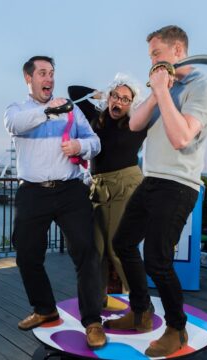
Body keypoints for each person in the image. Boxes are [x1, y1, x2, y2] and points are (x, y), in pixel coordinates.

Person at [104, 25, 207, 357]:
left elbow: (181, 137)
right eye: (150, 55)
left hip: (179, 185)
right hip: (150, 180)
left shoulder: (203, 87)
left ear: (178, 51)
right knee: (122, 243)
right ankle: (141, 313)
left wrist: (164, 92)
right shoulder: (164, 87)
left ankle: (176, 329)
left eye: (156, 53)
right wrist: (157, 91)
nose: (151, 60)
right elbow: (134, 124)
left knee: (157, 259)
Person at [3, 55, 106, 349]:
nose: (49, 79)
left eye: (52, 73)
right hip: (33, 192)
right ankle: (45, 308)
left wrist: (80, 146)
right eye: (43, 73)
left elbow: (95, 141)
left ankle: (92, 321)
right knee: (26, 253)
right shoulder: (17, 109)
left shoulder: (72, 111)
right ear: (29, 78)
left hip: (70, 190)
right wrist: (49, 111)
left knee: (86, 251)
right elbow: (14, 125)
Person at [68, 74, 147, 305]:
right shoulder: (96, 117)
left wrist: (128, 102)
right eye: (116, 96)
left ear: (132, 103)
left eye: (126, 99)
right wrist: (102, 95)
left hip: (125, 184)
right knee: (96, 249)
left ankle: (141, 305)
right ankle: (96, 299)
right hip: (98, 185)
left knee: (118, 248)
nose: (119, 102)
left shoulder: (136, 123)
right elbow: (74, 89)